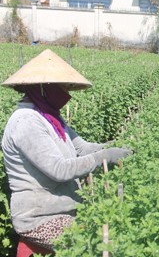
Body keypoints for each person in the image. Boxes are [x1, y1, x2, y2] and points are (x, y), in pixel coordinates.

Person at [1, 49, 133, 252]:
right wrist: (104, 157)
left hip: (63, 210)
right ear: (44, 87)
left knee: (111, 231)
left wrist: (118, 146)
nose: (66, 92)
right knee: (98, 244)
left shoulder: (50, 118)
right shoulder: (26, 121)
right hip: (39, 218)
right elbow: (59, 170)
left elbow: (82, 148)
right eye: (61, 86)